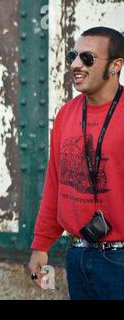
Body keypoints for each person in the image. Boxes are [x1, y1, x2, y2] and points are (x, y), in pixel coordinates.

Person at [28, 27, 124, 300]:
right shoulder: (66, 114)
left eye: (87, 58)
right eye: (73, 56)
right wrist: (41, 245)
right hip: (77, 255)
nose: (75, 64)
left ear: (116, 66)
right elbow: (55, 182)